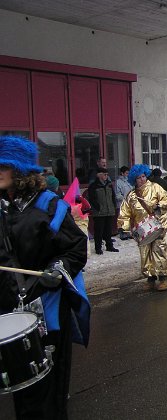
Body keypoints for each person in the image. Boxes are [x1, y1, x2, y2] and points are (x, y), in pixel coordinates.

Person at [0, 135, 89, 418]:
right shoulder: (2, 207)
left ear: (20, 170)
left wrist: (57, 270)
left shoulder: (47, 205)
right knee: (21, 392)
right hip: (10, 311)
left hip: (46, 308)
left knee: (48, 391)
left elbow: (75, 248)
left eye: (3, 166)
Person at [118, 164, 167, 291]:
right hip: (142, 229)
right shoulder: (131, 195)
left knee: (160, 250)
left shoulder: (155, 187)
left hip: (158, 225)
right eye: (138, 177)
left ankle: (163, 278)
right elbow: (125, 212)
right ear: (134, 179)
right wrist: (123, 226)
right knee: (145, 254)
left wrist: (160, 206)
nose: (142, 179)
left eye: (143, 176)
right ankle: (150, 278)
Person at [88, 167, 119, 254]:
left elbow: (113, 196)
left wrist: (113, 206)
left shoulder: (109, 184)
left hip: (109, 211)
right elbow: (92, 199)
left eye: (107, 174)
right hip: (99, 213)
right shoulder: (93, 186)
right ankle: (98, 248)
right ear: (99, 175)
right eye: (104, 174)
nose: (106, 176)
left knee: (108, 230)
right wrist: (98, 207)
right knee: (98, 231)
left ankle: (109, 246)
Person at [115, 166, 132, 240]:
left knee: (129, 218)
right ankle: (122, 233)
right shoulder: (118, 182)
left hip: (130, 203)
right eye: (126, 173)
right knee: (122, 218)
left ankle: (129, 232)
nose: (127, 174)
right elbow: (117, 194)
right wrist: (124, 198)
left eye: (128, 173)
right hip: (122, 203)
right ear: (122, 173)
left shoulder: (129, 181)